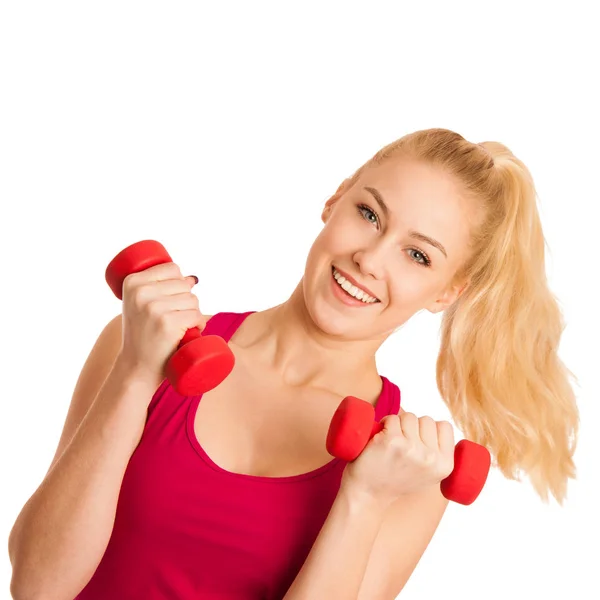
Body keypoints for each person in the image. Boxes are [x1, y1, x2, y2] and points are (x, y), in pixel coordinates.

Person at [8, 127, 579, 599]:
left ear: (446, 292)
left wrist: (364, 499)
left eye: (416, 254)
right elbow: (36, 586)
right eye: (369, 214)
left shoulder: (412, 475)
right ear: (335, 199)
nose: (369, 258)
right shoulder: (144, 348)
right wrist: (134, 374)